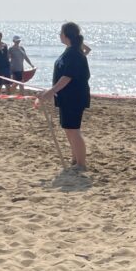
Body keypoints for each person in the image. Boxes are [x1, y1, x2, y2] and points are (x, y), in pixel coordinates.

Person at [35, 22, 91, 169]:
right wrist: (50, 91)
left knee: (73, 129)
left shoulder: (74, 53)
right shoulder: (70, 50)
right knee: (68, 128)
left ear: (66, 35)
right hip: (65, 96)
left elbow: (67, 77)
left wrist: (50, 92)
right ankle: (75, 159)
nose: (59, 35)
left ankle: (81, 164)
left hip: (74, 97)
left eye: (61, 32)